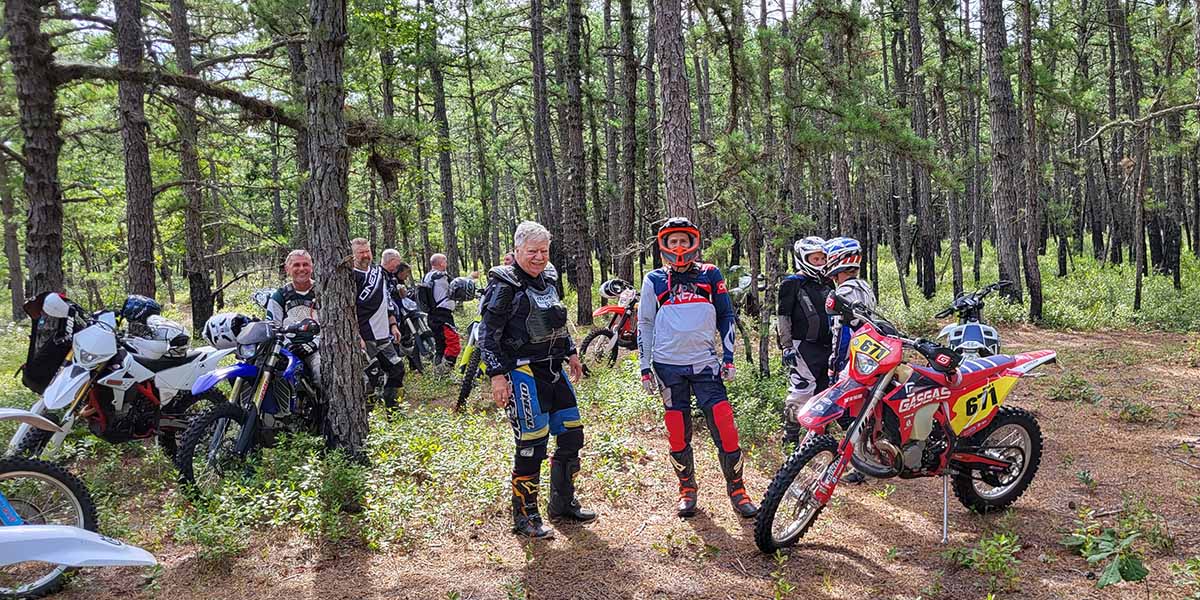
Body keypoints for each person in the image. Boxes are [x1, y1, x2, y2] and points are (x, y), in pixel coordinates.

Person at [477, 221, 595, 538]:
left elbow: (557, 320)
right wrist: (497, 376)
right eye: (532, 251)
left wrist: (571, 351)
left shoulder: (549, 280)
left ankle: (562, 502)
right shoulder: (504, 284)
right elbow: (488, 336)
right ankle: (525, 515)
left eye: (544, 251)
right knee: (532, 444)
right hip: (522, 371)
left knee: (572, 434)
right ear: (517, 251)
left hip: (553, 368)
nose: (539, 257)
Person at [637, 217, 758, 519]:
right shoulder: (653, 280)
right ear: (664, 245)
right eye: (673, 241)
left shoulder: (710, 274)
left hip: (706, 365)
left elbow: (726, 315)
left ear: (693, 243)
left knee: (726, 428)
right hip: (668, 367)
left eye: (684, 241)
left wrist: (729, 358)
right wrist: (644, 366)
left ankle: (738, 490)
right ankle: (687, 489)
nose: (679, 247)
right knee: (678, 432)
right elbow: (645, 323)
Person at [778, 237, 833, 449]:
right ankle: (790, 439)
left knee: (825, 392)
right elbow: (783, 316)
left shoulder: (828, 282)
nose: (819, 262)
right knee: (800, 392)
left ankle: (818, 440)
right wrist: (787, 346)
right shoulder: (791, 283)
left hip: (829, 347)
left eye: (822, 258)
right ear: (803, 259)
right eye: (815, 258)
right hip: (802, 347)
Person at [351, 238, 405, 407]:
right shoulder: (350, 276)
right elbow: (347, 308)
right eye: (361, 252)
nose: (365, 255)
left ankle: (393, 412)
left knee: (397, 368)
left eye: (367, 251)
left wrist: (393, 324)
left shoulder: (378, 272)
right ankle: (367, 419)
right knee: (370, 376)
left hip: (384, 334)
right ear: (352, 255)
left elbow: (386, 299)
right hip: (365, 335)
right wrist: (355, 335)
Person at [824, 237, 876, 376]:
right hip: (868, 356)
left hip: (850, 360)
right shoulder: (865, 287)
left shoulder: (842, 294)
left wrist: (835, 364)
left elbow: (841, 333)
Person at [266, 249, 321, 380]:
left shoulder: (321, 291)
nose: (301, 269)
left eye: (305, 264)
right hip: (287, 349)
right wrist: (286, 345)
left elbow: (333, 325)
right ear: (287, 269)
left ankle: (326, 400)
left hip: (318, 348)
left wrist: (313, 344)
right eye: (296, 265)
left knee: (321, 373)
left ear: (312, 267)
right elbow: (271, 326)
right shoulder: (280, 296)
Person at [423, 253, 461, 366]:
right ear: (440, 263)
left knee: (440, 345)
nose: (446, 264)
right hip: (442, 316)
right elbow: (455, 287)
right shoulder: (440, 277)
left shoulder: (428, 276)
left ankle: (438, 369)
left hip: (433, 315)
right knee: (453, 344)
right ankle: (446, 369)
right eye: (445, 261)